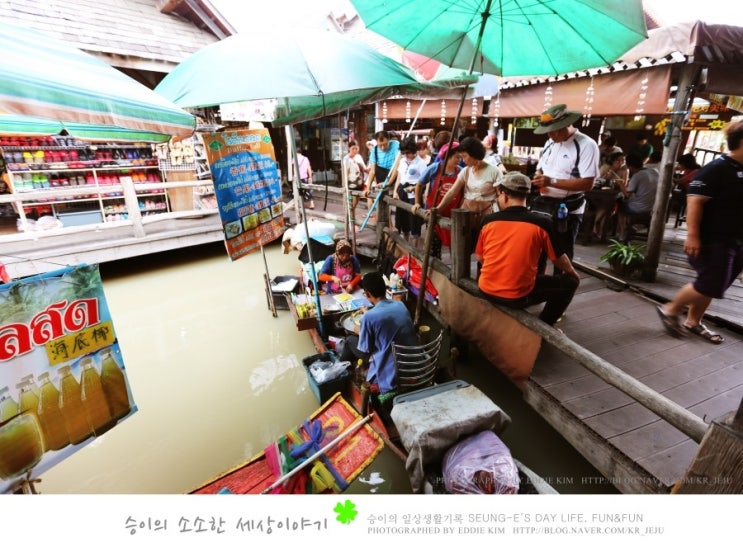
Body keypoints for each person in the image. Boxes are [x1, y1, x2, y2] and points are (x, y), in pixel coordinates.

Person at [656, 121, 743, 345]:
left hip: (736, 239)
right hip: (713, 238)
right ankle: (671, 308)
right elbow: (695, 201)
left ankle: (693, 321)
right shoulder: (717, 168)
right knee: (711, 282)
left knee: (717, 284)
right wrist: (692, 235)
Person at [475, 171, 580, 326]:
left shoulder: (488, 221)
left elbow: (480, 258)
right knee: (570, 282)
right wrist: (573, 273)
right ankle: (545, 325)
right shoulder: (542, 222)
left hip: (485, 290)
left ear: (504, 195)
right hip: (518, 296)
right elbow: (558, 259)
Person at [531, 104, 600, 271]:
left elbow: (587, 183)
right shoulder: (549, 142)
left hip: (567, 207)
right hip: (543, 203)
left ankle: (561, 289)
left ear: (566, 125)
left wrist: (550, 181)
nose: (551, 135)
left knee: (562, 252)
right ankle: (535, 284)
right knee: (537, 249)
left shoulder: (586, 145)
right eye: (548, 131)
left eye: (555, 130)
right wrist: (538, 175)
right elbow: (541, 167)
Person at [338, 271, 418, 400]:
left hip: (392, 367)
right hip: (409, 357)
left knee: (349, 340)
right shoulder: (400, 305)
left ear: (367, 294)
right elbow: (386, 320)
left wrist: (359, 330)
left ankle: (340, 371)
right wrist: (367, 313)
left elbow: (366, 348)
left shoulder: (369, 318)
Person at [432, 136, 503, 241]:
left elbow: (500, 196)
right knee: (464, 246)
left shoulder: (494, 171)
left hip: (487, 217)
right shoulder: (466, 171)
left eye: (464, 156)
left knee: (485, 247)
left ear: (474, 154)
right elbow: (452, 192)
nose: (462, 160)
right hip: (467, 216)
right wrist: (438, 209)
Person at [412, 141, 463, 258]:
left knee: (455, 247)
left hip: (452, 214)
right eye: (456, 157)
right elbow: (419, 184)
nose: (459, 160)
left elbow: (463, 192)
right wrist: (417, 203)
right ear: (447, 157)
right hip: (432, 213)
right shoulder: (435, 168)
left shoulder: (460, 171)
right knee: (433, 247)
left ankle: (454, 274)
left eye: (460, 157)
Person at [615, 153, 659, 242]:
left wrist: (620, 185)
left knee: (620, 207)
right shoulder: (654, 171)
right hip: (652, 207)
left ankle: (623, 232)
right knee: (626, 203)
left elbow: (627, 195)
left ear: (630, 166)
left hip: (639, 208)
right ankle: (629, 226)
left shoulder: (637, 175)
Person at [393, 137, 427, 246]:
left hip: (413, 194)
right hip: (402, 191)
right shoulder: (402, 161)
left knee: (414, 222)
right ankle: (405, 248)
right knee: (403, 221)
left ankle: (414, 250)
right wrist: (395, 191)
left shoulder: (420, 163)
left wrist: (416, 188)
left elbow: (425, 181)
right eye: (403, 153)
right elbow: (399, 177)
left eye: (408, 153)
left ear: (413, 151)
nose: (406, 155)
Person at [363, 130, 400, 220]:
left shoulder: (396, 145)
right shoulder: (374, 150)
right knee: (382, 203)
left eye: (385, 144)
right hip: (381, 174)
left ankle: (392, 226)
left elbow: (396, 166)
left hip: (393, 173)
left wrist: (389, 182)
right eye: (380, 145)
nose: (383, 147)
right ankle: (386, 225)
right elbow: (372, 171)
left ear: (389, 140)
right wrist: (368, 188)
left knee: (394, 203)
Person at [592, 151, 628, 240]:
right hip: (601, 194)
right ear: (612, 161)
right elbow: (597, 181)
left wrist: (617, 181)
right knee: (605, 205)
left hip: (617, 195)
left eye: (623, 160)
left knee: (608, 206)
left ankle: (596, 225)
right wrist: (606, 176)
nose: (621, 163)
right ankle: (598, 229)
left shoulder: (625, 170)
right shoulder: (606, 167)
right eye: (618, 161)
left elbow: (624, 184)